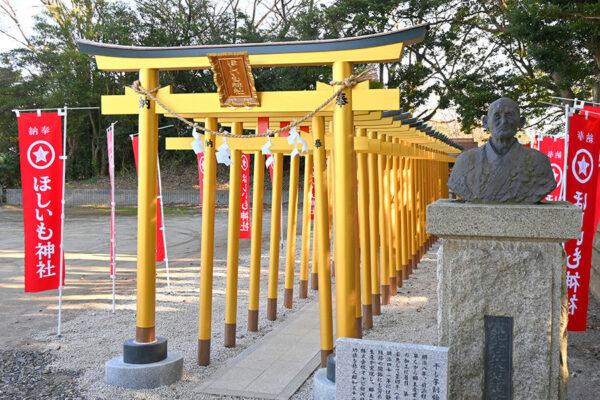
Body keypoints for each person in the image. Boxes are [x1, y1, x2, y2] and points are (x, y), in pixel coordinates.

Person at [448, 97, 557, 203]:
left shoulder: (538, 161)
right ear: (486, 122)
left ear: (521, 122)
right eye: (497, 116)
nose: (503, 121)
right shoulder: (465, 161)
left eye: (509, 115)